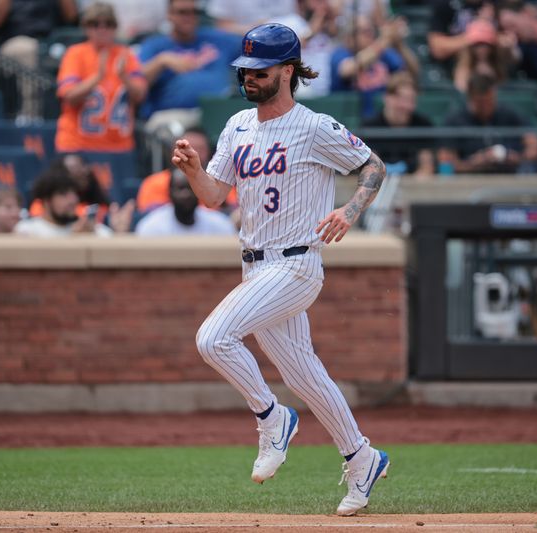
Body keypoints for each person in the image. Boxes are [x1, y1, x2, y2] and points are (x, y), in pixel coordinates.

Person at [172, 23, 389, 516]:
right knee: (307, 375)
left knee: (213, 338)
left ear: (287, 71)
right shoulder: (236, 126)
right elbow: (213, 196)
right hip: (255, 269)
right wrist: (191, 170)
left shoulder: (314, 126)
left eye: (260, 69)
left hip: (295, 265)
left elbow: (374, 166)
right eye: (244, 69)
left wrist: (348, 211)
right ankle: (362, 458)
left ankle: (272, 417)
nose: (249, 77)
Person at [55, 2, 148, 153]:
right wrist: (97, 77)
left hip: (119, 148)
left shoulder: (126, 55)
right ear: (86, 27)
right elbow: (68, 96)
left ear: (115, 27)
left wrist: (124, 77)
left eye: (108, 24)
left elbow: (140, 95)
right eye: (95, 24)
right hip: (77, 145)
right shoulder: (76, 54)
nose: (102, 29)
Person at [137, 0, 241, 131]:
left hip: (218, 111)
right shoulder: (155, 45)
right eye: (182, 12)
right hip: (175, 116)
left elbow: (253, 46)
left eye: (194, 12)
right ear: (169, 15)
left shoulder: (217, 38)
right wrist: (161, 61)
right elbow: (137, 83)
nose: (189, 17)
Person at [0, 0, 78, 123]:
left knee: (70, 52)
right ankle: (30, 115)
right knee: (28, 50)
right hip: (15, 40)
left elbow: (72, 16)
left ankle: (66, 114)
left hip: (50, 41)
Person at [438, 73, 537, 174]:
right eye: (480, 103)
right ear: (470, 98)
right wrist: (474, 163)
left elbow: (535, 148)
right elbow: (445, 162)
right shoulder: (454, 120)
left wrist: (516, 158)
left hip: (509, 177)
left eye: (489, 101)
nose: (486, 107)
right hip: (468, 181)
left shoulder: (509, 114)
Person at [330, 15, 419, 119]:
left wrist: (398, 43)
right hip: (349, 121)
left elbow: (412, 71)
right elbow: (347, 70)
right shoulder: (341, 53)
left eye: (371, 30)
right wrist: (384, 40)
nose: (370, 35)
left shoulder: (384, 54)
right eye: (365, 31)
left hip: (382, 119)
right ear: (349, 37)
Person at [14, 165, 133, 237]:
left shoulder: (91, 230)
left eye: (75, 193)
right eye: (63, 194)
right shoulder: (26, 230)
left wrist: (120, 233)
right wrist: (75, 239)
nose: (73, 200)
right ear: (46, 201)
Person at [362, 71, 435, 177]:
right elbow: (371, 171)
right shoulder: (370, 127)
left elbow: (426, 168)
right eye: (401, 99)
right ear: (387, 98)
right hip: (380, 187)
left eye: (411, 100)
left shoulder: (423, 125)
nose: (406, 106)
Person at [135, 168, 236, 236]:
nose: (186, 194)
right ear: (169, 193)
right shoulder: (151, 227)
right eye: (180, 189)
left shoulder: (220, 224)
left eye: (191, 189)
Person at [29, 153, 110, 220]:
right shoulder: (42, 204)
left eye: (83, 166)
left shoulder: (97, 201)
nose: (83, 172)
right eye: (75, 168)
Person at [453, 19, 517, 93]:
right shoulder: (464, 67)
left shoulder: (498, 65)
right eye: (477, 45)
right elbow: (461, 90)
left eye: (485, 44)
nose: (481, 49)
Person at [427, 0, 496, 65]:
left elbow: (505, 39)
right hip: (454, 62)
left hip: (494, 58)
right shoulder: (446, 5)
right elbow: (436, 49)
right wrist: (471, 38)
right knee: (465, 52)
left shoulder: (494, 4)